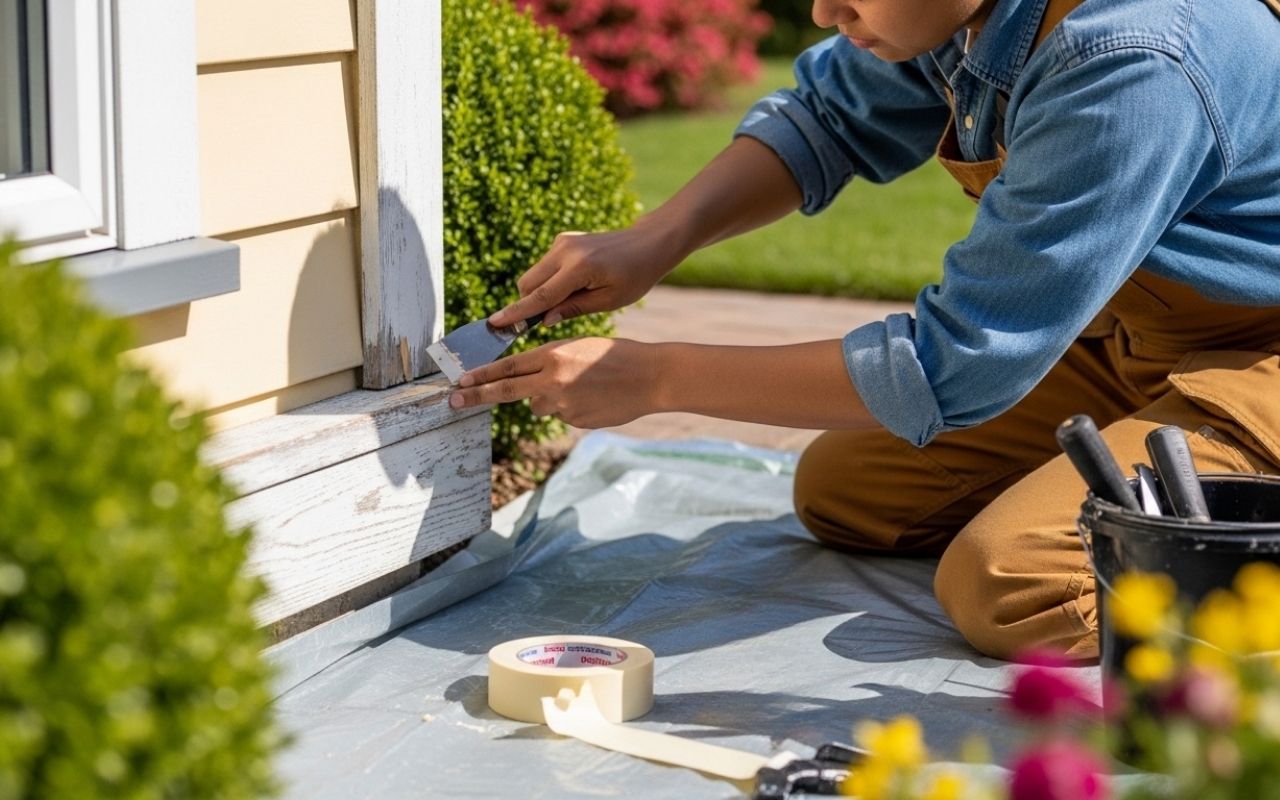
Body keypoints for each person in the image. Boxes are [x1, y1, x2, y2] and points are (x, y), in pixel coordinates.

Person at [447, 0, 1280, 660]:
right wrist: (652, 239)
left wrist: (656, 380)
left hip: (1261, 363)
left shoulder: (1133, 57)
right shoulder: (966, 17)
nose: (820, 13)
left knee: (1014, 583)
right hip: (1139, 344)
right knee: (848, 493)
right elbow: (827, 119)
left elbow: (954, 365)